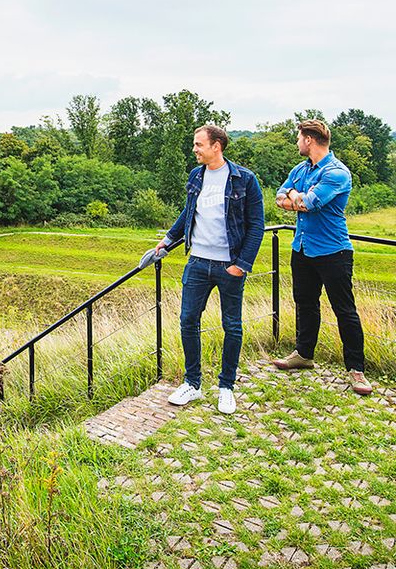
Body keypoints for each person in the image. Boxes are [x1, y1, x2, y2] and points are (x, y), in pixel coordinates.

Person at [141, 125, 264, 414]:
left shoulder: (244, 179)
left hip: (229, 265)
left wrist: (242, 265)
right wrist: (167, 241)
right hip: (197, 262)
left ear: (216, 146)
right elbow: (189, 211)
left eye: (198, 144)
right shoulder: (196, 176)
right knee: (187, 321)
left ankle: (226, 387)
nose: (194, 149)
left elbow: (256, 225)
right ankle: (193, 384)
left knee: (231, 325)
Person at [273, 119, 372, 395]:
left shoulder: (337, 173)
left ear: (309, 140)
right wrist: (295, 197)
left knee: (344, 310)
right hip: (302, 248)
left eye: (298, 138)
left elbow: (308, 204)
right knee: (305, 303)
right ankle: (304, 354)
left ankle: (356, 369)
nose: (296, 143)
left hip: (333, 251)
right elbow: (279, 198)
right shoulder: (300, 169)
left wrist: (295, 197)